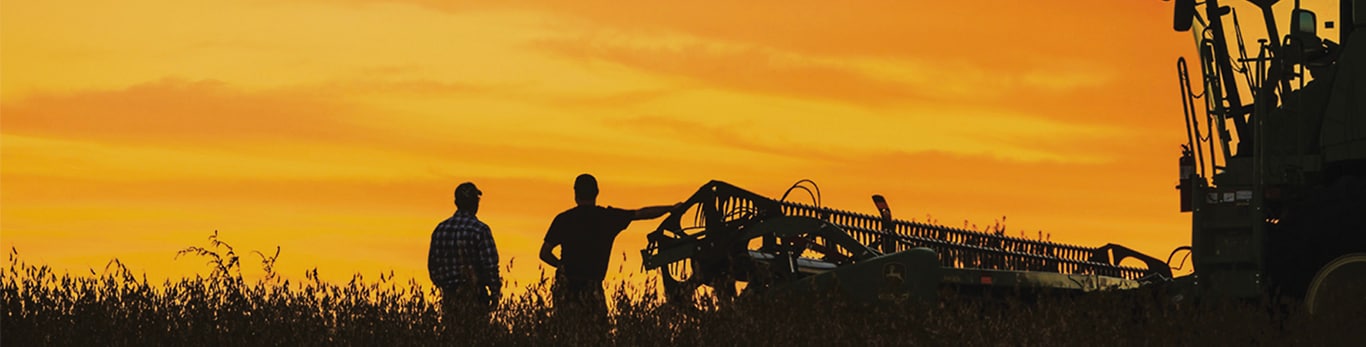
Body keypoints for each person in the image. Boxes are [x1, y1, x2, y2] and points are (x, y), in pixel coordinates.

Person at [539, 174, 677, 320]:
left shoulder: (564, 219)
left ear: (575, 194)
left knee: (566, 333)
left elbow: (544, 253)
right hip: (593, 288)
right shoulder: (608, 217)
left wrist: (561, 266)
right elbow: (642, 213)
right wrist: (671, 208)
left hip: (566, 288)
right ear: (597, 192)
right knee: (598, 335)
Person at [428, 182, 501, 321]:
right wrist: (495, 292)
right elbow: (490, 265)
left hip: (449, 297)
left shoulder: (440, 229)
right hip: (476, 296)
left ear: (456, 202)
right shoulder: (480, 230)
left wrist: (445, 287)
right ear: (476, 203)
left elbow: (433, 266)